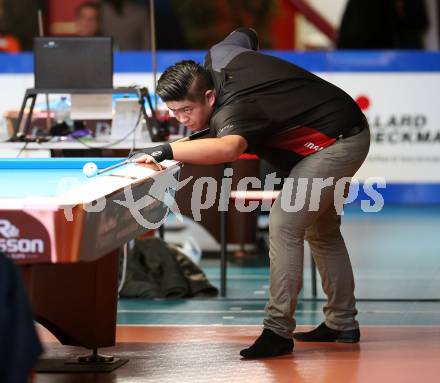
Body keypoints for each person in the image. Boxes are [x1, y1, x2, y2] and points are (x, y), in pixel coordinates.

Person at [132, 28, 371, 358]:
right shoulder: (220, 54)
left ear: (210, 97)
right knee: (322, 230)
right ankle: (342, 323)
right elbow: (247, 34)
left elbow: (228, 148)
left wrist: (167, 152)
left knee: (285, 222)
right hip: (333, 123)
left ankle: (277, 332)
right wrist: (275, 86)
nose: (182, 120)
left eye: (186, 111)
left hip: (335, 143)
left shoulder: (236, 110)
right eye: (174, 112)